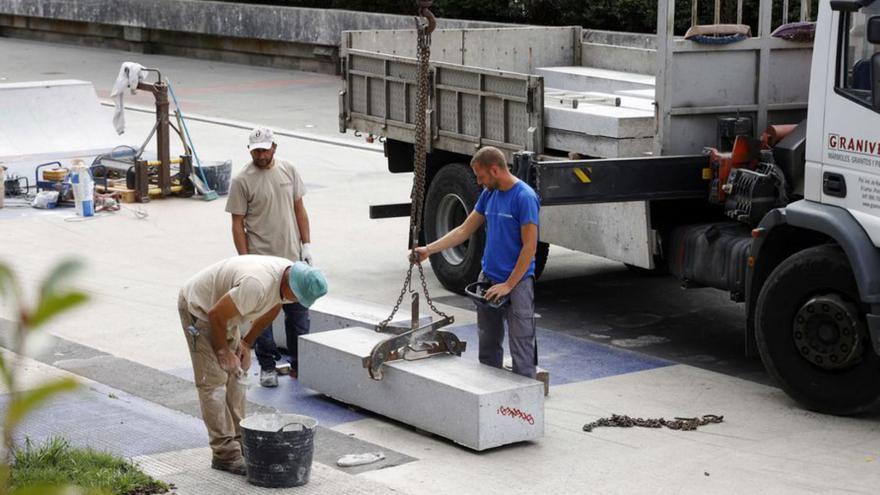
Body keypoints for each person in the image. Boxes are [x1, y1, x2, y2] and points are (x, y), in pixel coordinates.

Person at [177, 256, 327, 475]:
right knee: (214, 384)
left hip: (225, 312)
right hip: (200, 309)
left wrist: (246, 344)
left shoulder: (289, 277)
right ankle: (224, 454)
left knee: (237, 378)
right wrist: (223, 351)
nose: (295, 302)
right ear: (290, 284)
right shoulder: (256, 285)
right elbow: (215, 315)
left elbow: (273, 308)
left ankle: (243, 441)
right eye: (297, 297)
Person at [412, 146, 540, 378]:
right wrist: (428, 250)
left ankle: (522, 407)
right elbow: (463, 230)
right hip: (488, 280)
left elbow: (530, 247)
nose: (479, 183)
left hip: (517, 283)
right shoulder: (489, 194)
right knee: (488, 347)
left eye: (481, 177)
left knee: (522, 348)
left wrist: (509, 285)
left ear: (494, 170)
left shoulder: (524, 197)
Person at [225, 127, 313, 387]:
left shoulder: (289, 171)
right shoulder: (242, 180)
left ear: (275, 147)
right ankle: (267, 366)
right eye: (256, 151)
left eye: (264, 149)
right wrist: (245, 259)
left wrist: (306, 245)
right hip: (262, 262)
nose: (261, 155)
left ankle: (300, 365)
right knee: (262, 318)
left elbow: (300, 210)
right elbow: (237, 223)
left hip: (292, 260)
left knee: (298, 315)